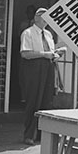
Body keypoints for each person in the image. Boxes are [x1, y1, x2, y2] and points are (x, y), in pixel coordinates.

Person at [20, 8, 65, 144]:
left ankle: (42, 135)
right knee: (33, 101)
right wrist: (44, 54)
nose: (46, 19)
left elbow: (49, 52)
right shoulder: (28, 33)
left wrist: (56, 53)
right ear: (36, 17)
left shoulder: (49, 34)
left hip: (48, 68)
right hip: (34, 70)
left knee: (47, 102)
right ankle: (29, 135)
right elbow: (25, 54)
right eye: (44, 16)